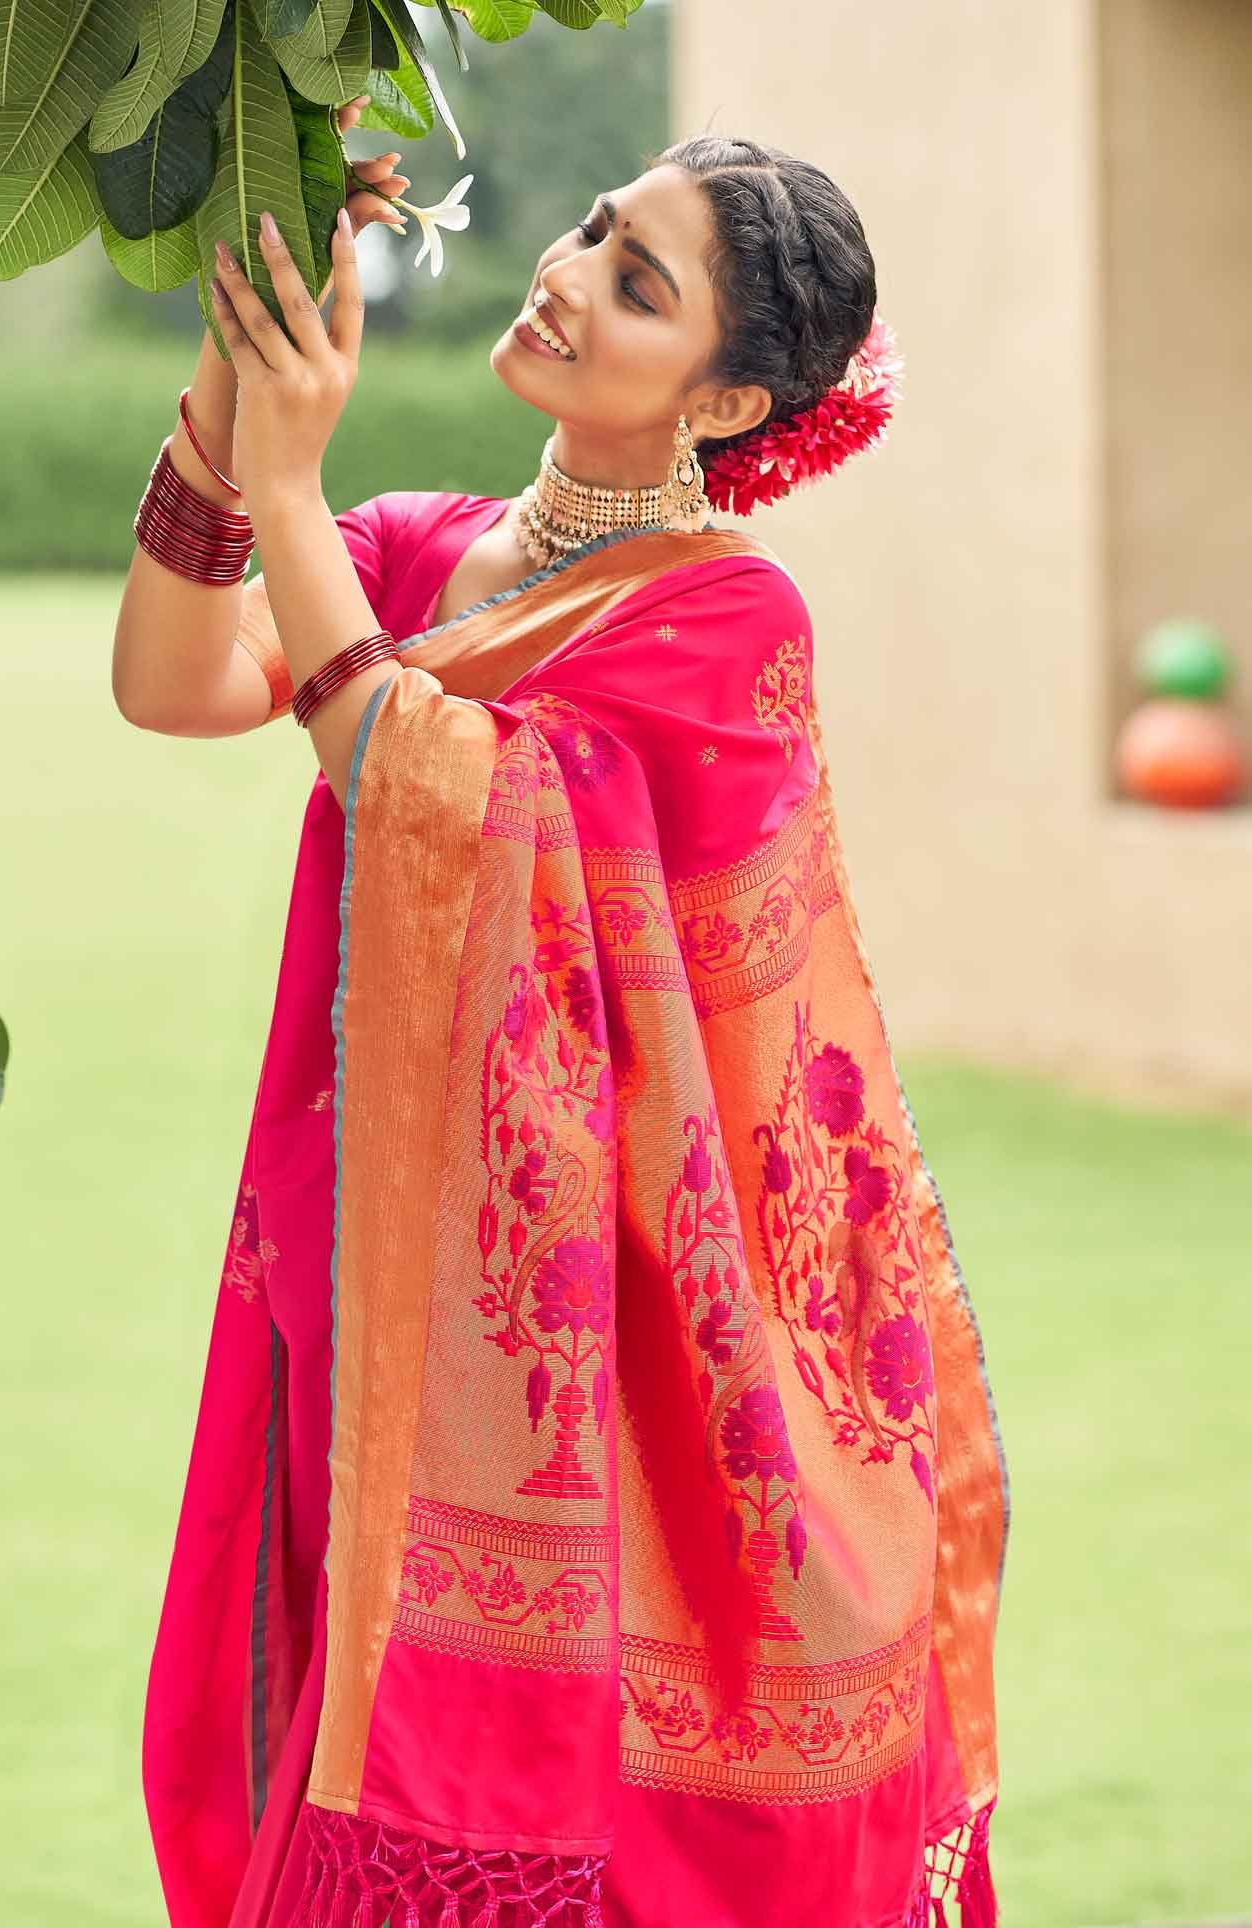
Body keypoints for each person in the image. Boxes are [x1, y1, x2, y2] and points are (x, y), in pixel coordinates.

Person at [114, 104, 1010, 1928]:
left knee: (586, 1817)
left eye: (637, 280)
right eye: (595, 225)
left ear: (726, 405)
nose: (570, 274)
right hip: (369, 1253)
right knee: (340, 1734)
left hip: (603, 1329)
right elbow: (176, 680)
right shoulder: (424, 547)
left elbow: (428, 789)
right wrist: (231, 397)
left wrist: (287, 492)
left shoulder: (727, 620)